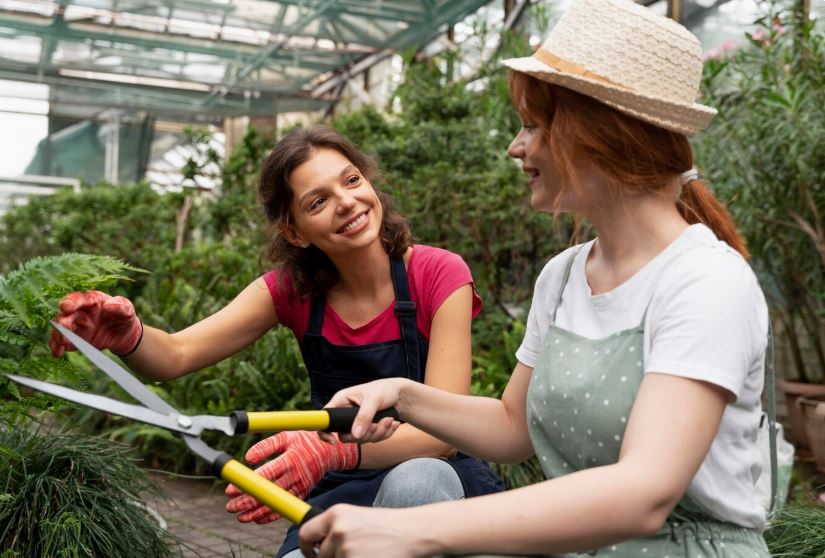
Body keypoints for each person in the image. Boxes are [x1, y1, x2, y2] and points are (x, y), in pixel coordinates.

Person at [296, 0, 773, 556]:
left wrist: (413, 529)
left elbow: (644, 493)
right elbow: (511, 427)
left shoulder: (705, 281)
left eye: (531, 126)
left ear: (596, 133)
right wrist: (401, 395)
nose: (515, 147)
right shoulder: (564, 276)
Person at [49, 127, 504, 558]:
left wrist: (333, 450)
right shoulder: (291, 292)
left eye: (351, 180)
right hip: (343, 490)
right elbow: (176, 355)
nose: (347, 202)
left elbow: (441, 436)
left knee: (417, 480)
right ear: (294, 231)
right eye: (318, 201)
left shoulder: (438, 274)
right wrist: (129, 336)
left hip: (440, 483)